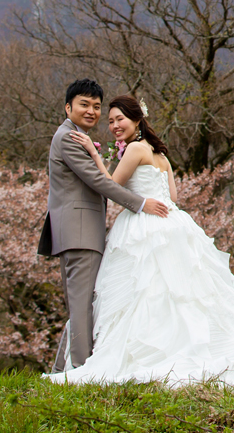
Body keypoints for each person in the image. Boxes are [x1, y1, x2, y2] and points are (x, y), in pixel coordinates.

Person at [46, 93, 234, 392]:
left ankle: (139, 353)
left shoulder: (135, 149)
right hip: (173, 225)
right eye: (110, 121)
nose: (113, 125)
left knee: (143, 290)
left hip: (142, 226)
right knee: (178, 293)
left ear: (137, 119)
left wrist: (96, 155)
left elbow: (109, 185)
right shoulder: (160, 154)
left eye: (119, 119)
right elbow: (174, 198)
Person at [38, 79, 169, 372]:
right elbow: (98, 181)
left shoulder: (76, 135)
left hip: (80, 230)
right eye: (84, 104)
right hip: (80, 232)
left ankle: (67, 369)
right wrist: (139, 203)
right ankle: (83, 370)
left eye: (97, 106)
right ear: (68, 107)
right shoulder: (68, 138)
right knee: (83, 305)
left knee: (82, 304)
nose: (92, 111)